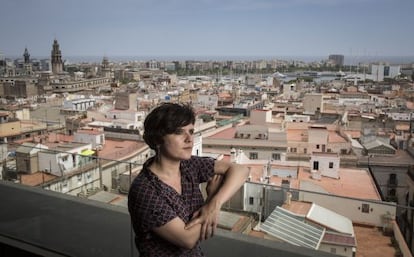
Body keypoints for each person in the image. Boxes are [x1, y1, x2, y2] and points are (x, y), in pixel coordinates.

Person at [128, 102, 249, 257]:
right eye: (179, 132)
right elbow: (187, 239)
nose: (189, 139)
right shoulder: (145, 190)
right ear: (158, 140)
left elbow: (241, 170)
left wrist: (215, 203)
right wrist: (210, 197)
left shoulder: (189, 165)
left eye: (191, 131)